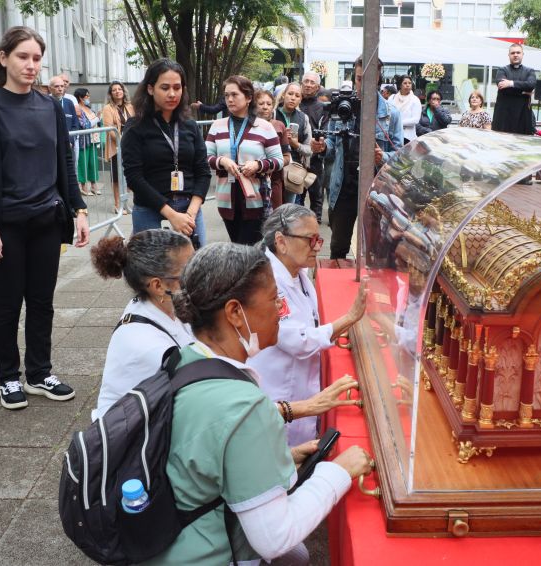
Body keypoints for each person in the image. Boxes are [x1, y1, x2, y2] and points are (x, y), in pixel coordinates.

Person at [149, 241, 373, 565]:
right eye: (274, 299)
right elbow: (275, 538)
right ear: (235, 313)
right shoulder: (244, 407)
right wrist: (339, 471)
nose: (281, 308)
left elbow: (209, 454)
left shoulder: (185, 357)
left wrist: (283, 456)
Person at [0, 26, 90, 410]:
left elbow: (65, 162)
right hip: (3, 225)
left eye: (37, 58)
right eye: (23, 56)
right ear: (4, 58)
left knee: (41, 302)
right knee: (7, 304)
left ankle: (39, 373)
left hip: (45, 221)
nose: (31, 65)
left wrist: (79, 209)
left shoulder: (50, 106)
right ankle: (8, 377)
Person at [250, 204, 367, 446]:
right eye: (310, 239)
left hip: (297, 389)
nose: (317, 246)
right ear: (281, 242)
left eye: (318, 239)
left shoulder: (297, 272)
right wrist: (349, 318)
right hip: (280, 394)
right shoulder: (268, 281)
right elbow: (297, 341)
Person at [90, 229, 194, 421]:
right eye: (190, 270)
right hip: (135, 433)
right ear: (158, 286)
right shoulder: (152, 347)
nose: (200, 274)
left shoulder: (157, 305)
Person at [310, 55, 403, 261]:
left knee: (374, 249)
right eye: (360, 79)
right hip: (343, 186)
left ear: (378, 78)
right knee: (338, 246)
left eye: (369, 79)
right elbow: (331, 145)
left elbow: (400, 155)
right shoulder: (342, 107)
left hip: (375, 189)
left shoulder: (391, 114)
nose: (363, 84)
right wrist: (322, 147)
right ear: (354, 78)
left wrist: (382, 156)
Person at [121, 58, 211, 246]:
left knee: (197, 263)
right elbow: (134, 177)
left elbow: (203, 171)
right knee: (151, 264)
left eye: (177, 88)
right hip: (149, 209)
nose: (172, 94)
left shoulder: (190, 126)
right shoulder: (135, 127)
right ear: (150, 88)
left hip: (189, 209)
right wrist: (172, 215)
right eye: (165, 88)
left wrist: (190, 214)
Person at [206, 75, 284, 245]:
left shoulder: (265, 127)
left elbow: (279, 160)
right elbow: (206, 157)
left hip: (256, 199)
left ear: (248, 98)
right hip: (226, 200)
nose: (230, 99)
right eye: (227, 95)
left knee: (247, 249)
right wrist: (222, 161)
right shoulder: (217, 126)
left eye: (235, 94)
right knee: (237, 246)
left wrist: (258, 165)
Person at [275, 82, 313, 205]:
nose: (293, 98)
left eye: (297, 95)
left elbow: (309, 150)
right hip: (275, 168)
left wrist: (295, 144)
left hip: (294, 172)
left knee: (291, 209)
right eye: (290, 94)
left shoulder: (303, 118)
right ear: (283, 95)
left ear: (300, 99)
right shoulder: (273, 114)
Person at [299, 71, 329, 223]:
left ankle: (314, 228)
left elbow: (325, 132)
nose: (308, 85)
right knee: (297, 199)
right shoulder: (294, 104)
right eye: (306, 81)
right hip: (296, 160)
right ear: (301, 83)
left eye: (312, 82)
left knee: (316, 198)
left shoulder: (323, 108)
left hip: (315, 160)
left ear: (318, 87)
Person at [255, 89, 292, 211]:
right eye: (261, 103)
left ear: (273, 106)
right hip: (252, 181)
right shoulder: (247, 126)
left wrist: (272, 163)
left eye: (269, 104)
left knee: (275, 216)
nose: (265, 107)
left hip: (274, 180)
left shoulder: (279, 126)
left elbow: (286, 156)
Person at [101, 80, 134, 213]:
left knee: (132, 174)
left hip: (132, 147)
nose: (117, 92)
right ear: (110, 93)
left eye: (119, 89)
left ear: (123, 91)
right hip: (117, 147)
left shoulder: (130, 106)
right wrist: (122, 141)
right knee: (116, 178)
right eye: (114, 90)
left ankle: (126, 202)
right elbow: (110, 129)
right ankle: (117, 205)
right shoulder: (107, 108)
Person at [492, 43, 537, 135]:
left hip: (522, 114)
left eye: (518, 52)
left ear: (522, 54)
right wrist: (524, 91)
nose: (515, 55)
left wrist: (510, 83)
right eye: (512, 53)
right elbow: (503, 88)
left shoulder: (530, 71)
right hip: (504, 115)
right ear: (509, 55)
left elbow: (531, 85)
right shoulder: (502, 70)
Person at [73, 87, 101, 197]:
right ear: (80, 97)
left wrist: (98, 119)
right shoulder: (78, 109)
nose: (88, 98)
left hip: (94, 140)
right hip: (84, 141)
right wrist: (97, 118)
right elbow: (85, 125)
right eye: (86, 96)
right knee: (83, 163)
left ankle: (94, 185)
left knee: (93, 163)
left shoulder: (89, 108)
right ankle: (83, 186)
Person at [392, 75, 422, 144]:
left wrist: (398, 123)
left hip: (408, 137)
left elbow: (415, 120)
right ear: (400, 85)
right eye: (405, 83)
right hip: (393, 135)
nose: (408, 85)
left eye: (409, 83)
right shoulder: (392, 98)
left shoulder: (415, 100)